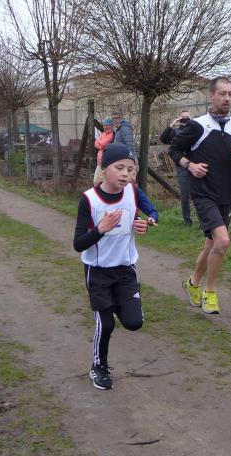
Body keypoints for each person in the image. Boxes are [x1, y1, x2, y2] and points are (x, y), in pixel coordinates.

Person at [169, 76, 231, 314]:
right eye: (222, 94)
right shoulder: (197, 126)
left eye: (230, 94)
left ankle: (192, 283)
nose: (227, 98)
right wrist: (190, 165)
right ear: (211, 96)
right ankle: (210, 292)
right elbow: (174, 149)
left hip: (227, 193)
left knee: (211, 244)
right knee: (223, 241)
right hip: (203, 193)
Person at [73, 143, 148, 390]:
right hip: (98, 272)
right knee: (106, 324)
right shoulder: (89, 199)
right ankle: (99, 367)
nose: (126, 173)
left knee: (134, 322)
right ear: (104, 170)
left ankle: (115, 302)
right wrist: (100, 230)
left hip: (125, 270)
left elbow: (147, 214)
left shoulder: (132, 192)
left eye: (130, 169)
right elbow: (78, 244)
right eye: (120, 168)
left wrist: (145, 223)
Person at [160, 110, 194, 226]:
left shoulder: (195, 130)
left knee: (199, 193)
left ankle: (203, 221)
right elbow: (163, 139)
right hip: (182, 166)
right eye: (183, 117)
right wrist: (172, 124)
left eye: (187, 117)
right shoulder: (175, 132)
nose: (185, 119)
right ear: (179, 118)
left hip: (195, 165)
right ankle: (187, 221)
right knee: (185, 195)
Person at [93, 117, 114, 183]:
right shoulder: (103, 134)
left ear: (111, 126)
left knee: (104, 182)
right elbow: (95, 144)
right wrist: (100, 143)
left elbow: (103, 144)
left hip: (107, 162)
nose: (105, 127)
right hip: (99, 162)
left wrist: (98, 141)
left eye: (107, 125)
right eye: (104, 125)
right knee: (96, 181)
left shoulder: (112, 134)